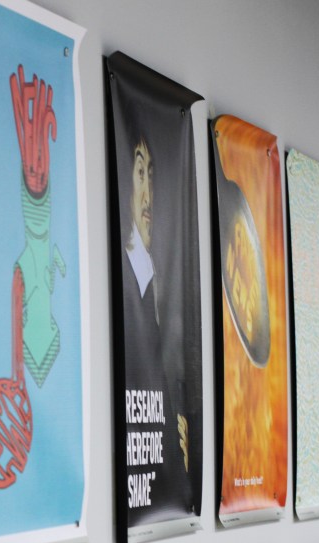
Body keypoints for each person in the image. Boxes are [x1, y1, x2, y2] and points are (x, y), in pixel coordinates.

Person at [120, 136, 191, 518]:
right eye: (139, 172)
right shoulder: (129, 281)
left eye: (152, 175)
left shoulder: (151, 278)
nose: (148, 194)